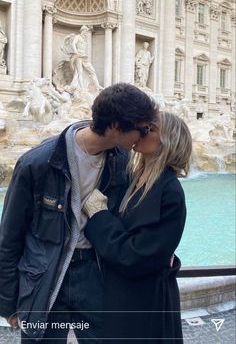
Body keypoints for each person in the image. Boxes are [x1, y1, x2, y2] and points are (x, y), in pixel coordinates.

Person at [0, 83, 157, 343]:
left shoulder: (122, 162)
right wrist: (8, 303)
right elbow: (9, 237)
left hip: (97, 275)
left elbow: (128, 217)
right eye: (141, 129)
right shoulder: (36, 163)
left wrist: (156, 245)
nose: (142, 137)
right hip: (46, 276)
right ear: (117, 127)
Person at [83, 111, 192, 343]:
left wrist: (98, 215)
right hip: (124, 295)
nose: (141, 132)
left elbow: (136, 256)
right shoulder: (134, 176)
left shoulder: (170, 191)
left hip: (145, 304)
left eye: (149, 129)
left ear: (167, 141)